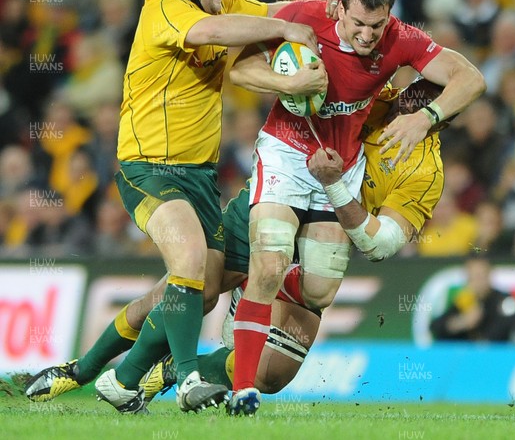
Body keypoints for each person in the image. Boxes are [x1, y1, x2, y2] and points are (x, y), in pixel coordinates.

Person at [23, 76, 450, 407]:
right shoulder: (376, 95)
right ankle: (81, 370)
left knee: (273, 375)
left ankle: (172, 371)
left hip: (321, 241)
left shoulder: (425, 173)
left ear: (443, 118)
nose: (412, 104)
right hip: (273, 204)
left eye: (428, 103)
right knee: (192, 289)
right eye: (415, 92)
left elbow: (383, 244)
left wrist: (337, 188)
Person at [227, 0, 485, 415]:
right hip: (287, 152)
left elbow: (472, 78)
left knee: (320, 293)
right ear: (341, 8)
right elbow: (239, 66)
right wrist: (288, 84)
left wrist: (426, 118)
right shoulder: (308, 16)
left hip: (338, 173)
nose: (367, 36)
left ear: (390, 19)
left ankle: (252, 301)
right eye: (358, 23)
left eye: (376, 26)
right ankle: (239, 390)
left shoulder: (422, 160)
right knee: (268, 260)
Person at [87, 0, 326, 415]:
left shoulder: (223, 4)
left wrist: (330, 9)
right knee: (191, 259)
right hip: (148, 167)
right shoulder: (165, 8)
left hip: (199, 175)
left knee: (207, 285)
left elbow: (274, 11)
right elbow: (210, 34)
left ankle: (123, 379)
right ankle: (190, 375)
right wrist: (281, 37)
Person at [429, 256, 515, 342]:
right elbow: (436, 326)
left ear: (489, 275)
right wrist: (462, 322)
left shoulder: (504, 300)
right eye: (473, 277)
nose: (477, 282)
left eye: (480, 276)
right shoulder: (465, 300)